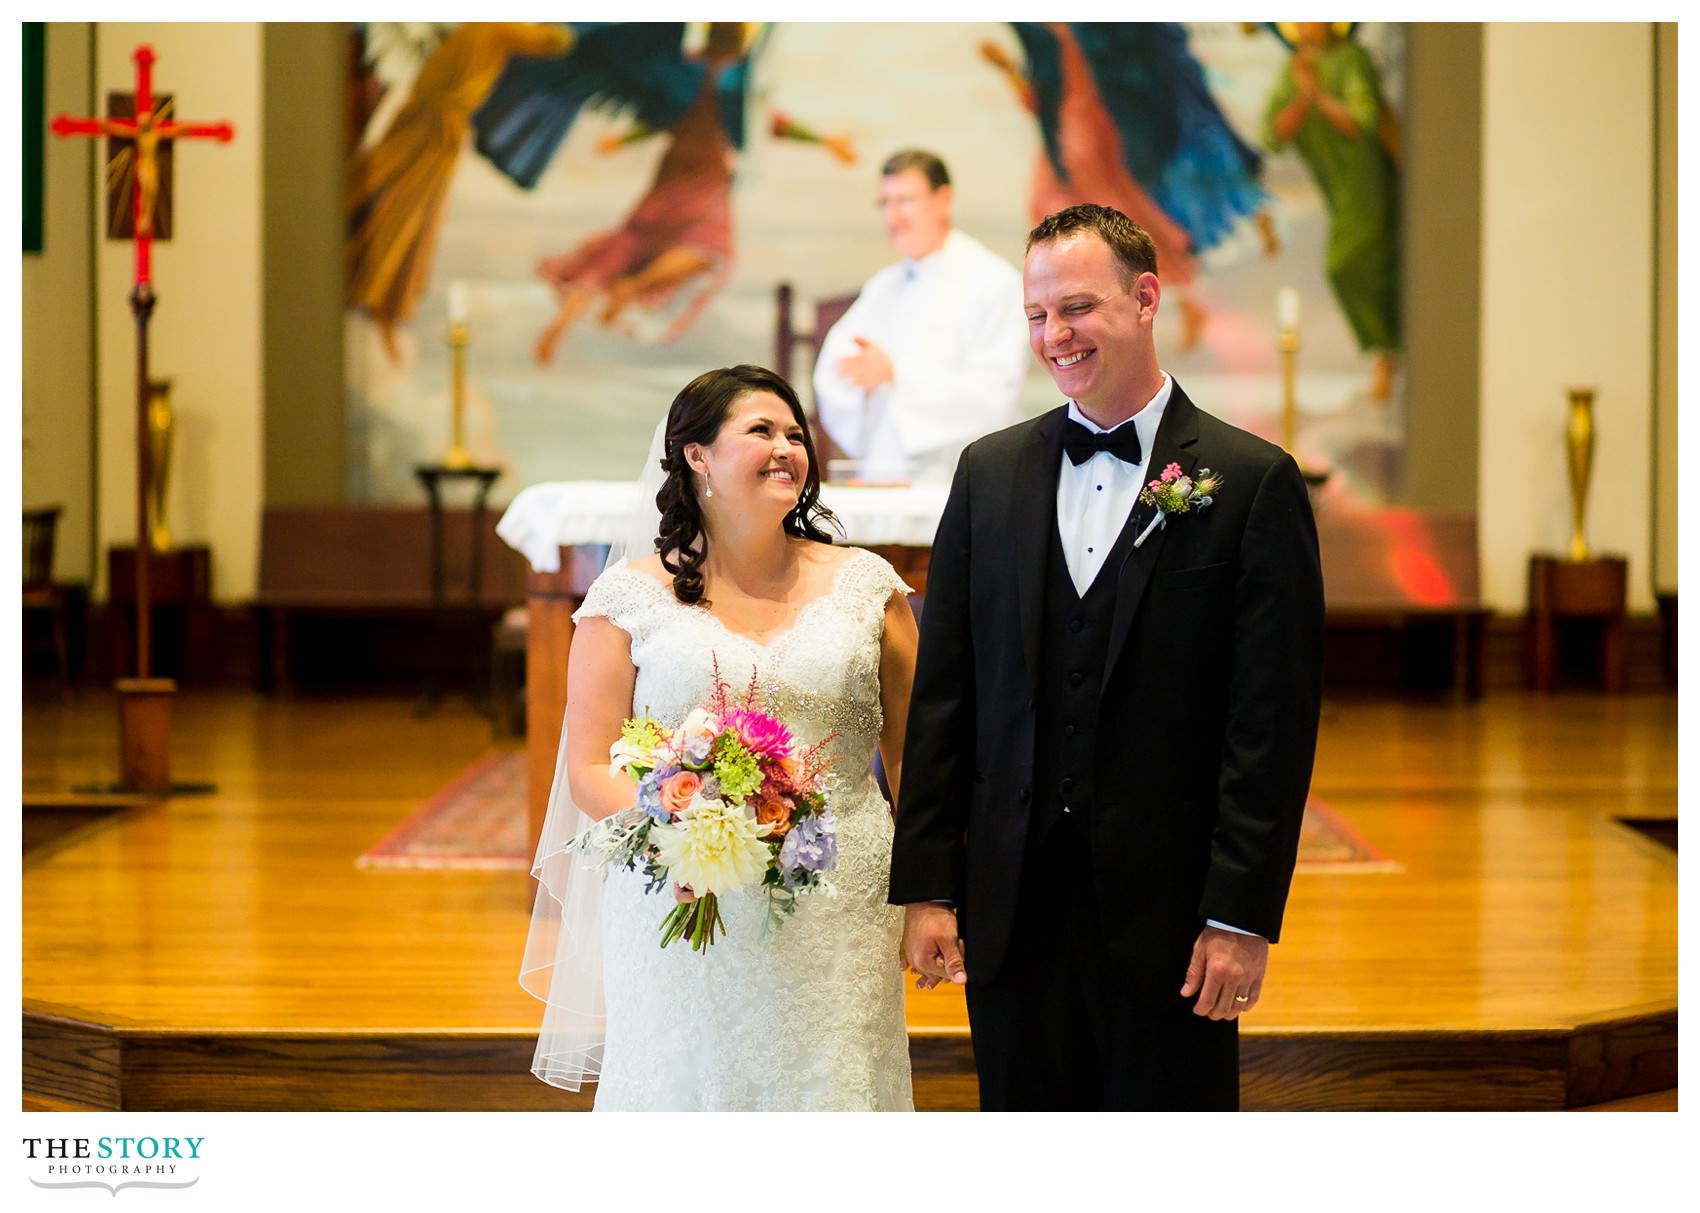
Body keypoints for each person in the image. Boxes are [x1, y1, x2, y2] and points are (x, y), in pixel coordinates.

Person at [889, 204, 1324, 1111]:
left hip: (1172, 916)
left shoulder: (1250, 483)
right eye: (1038, 315)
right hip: (1011, 908)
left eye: (1078, 308)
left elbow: (1270, 723)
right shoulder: (989, 473)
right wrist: (930, 888)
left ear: (1147, 298)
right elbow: (944, 699)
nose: (1056, 335)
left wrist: (1240, 915)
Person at [520, 364, 919, 1110]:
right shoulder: (627, 599)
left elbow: (916, 756)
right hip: (682, 891)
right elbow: (586, 766)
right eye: (760, 430)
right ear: (696, 455)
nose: (786, 448)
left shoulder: (869, 587)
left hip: (840, 903)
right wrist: (688, 824)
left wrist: (934, 892)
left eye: (795, 433)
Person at [813, 149, 1029, 484]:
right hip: (886, 474)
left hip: (961, 477)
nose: (892, 216)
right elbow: (834, 373)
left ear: (943, 200)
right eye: (885, 202)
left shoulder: (994, 283)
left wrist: (896, 375)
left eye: (905, 200)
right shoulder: (883, 288)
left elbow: (997, 397)